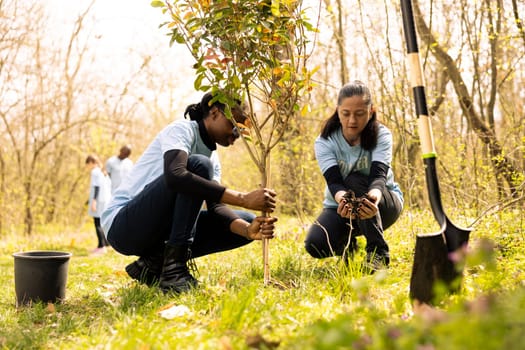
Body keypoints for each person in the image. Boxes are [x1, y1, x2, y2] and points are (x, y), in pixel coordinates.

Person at [101, 91, 278, 293]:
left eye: (242, 130)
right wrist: (242, 198)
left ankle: (153, 264)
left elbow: (217, 209)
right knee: (197, 165)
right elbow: (176, 175)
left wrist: (248, 230)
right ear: (214, 113)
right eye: (235, 125)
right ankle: (174, 272)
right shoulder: (182, 130)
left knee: (244, 219)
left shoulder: (212, 158)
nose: (238, 134)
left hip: (158, 231)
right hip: (124, 227)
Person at [304, 80, 403, 272]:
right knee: (315, 244)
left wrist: (372, 200)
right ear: (337, 111)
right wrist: (345, 202)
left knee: (355, 181)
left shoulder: (382, 135)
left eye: (359, 114)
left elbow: (378, 176)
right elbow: (334, 182)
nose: (352, 121)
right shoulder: (325, 141)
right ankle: (347, 246)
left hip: (383, 203)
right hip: (340, 206)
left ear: (371, 111)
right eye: (346, 114)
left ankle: (378, 254)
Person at [85, 154, 112, 255]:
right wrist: (89, 200)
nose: (87, 167)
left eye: (87, 164)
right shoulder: (102, 172)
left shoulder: (95, 172)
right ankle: (104, 244)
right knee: (102, 222)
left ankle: (102, 247)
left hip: (98, 201)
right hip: (105, 200)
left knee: (97, 223)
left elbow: (96, 187)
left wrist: (94, 201)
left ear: (92, 163)